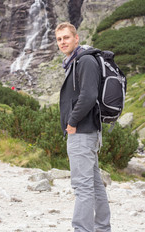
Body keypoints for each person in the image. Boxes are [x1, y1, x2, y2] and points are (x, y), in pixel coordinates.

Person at [55, 22, 111, 232]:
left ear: (76, 38)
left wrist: (71, 122)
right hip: (87, 132)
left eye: (66, 38)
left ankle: (83, 229)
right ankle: (102, 228)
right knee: (94, 185)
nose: (62, 42)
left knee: (82, 186)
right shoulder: (76, 61)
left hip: (81, 132)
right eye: (59, 39)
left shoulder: (85, 60)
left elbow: (88, 96)